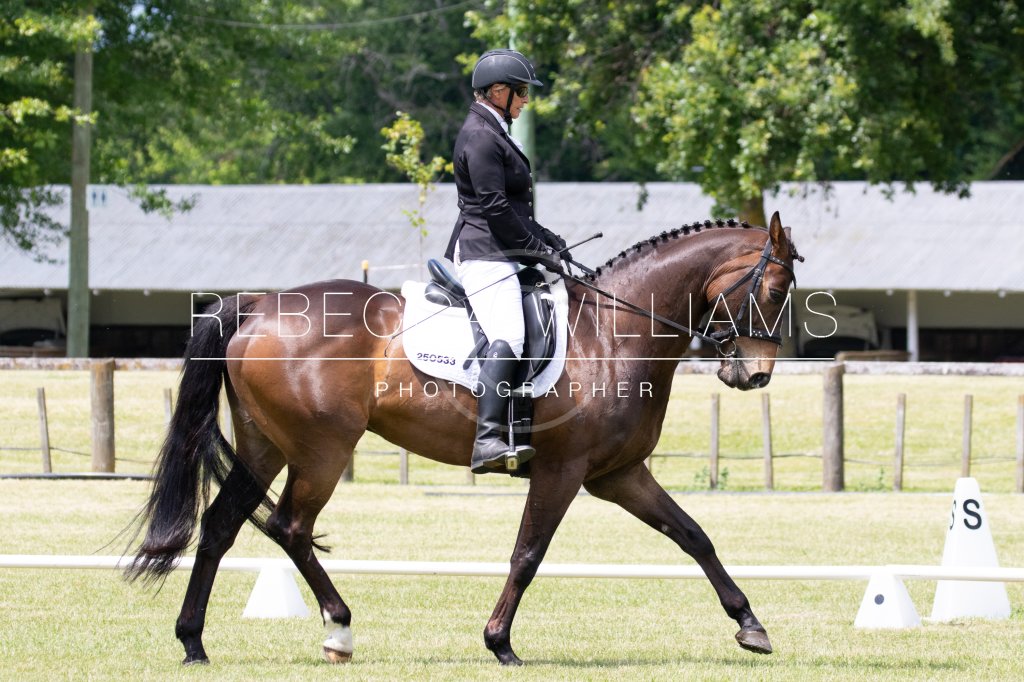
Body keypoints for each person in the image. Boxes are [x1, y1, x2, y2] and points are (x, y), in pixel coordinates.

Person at [443, 49, 569, 474]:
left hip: (501, 250)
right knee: (510, 336)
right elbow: (495, 208)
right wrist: (537, 250)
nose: (526, 100)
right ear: (498, 91)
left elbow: (513, 209)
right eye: (521, 92)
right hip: (485, 254)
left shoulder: (493, 130)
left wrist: (548, 240)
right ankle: (487, 440)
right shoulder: (480, 136)